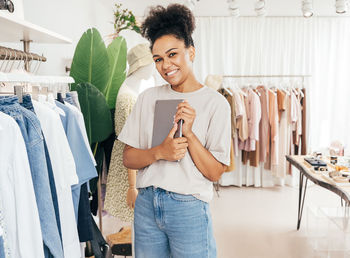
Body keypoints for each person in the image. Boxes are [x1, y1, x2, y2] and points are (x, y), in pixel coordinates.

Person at [117, 4, 231, 258]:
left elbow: (214, 172)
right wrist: (160, 152)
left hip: (188, 207)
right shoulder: (148, 98)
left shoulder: (216, 103)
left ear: (191, 51)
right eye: (158, 59)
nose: (165, 65)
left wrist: (189, 135)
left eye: (173, 54)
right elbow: (128, 158)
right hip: (147, 204)